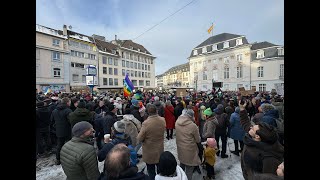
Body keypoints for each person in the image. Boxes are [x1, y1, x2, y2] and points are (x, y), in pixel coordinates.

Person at [239, 100, 284, 180]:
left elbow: (268, 177)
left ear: (257, 136)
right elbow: (246, 124)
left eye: (252, 128)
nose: (251, 127)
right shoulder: (255, 136)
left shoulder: (269, 159)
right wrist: (242, 109)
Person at [137, 104, 166, 180]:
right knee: (160, 169)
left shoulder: (146, 123)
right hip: (159, 148)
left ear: (148, 113)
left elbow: (139, 138)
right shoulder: (162, 120)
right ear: (157, 111)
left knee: (151, 170)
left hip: (149, 150)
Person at [175, 109, 201, 180]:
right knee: (189, 169)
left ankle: (180, 178)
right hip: (190, 150)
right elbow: (198, 140)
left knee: (182, 165)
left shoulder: (177, 122)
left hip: (180, 148)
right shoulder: (193, 126)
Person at [50, 97, 73, 165]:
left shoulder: (54, 111)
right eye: (69, 102)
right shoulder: (68, 111)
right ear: (67, 102)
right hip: (68, 131)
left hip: (59, 131)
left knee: (59, 145)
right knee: (69, 146)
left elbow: (51, 121)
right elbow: (71, 121)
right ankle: (69, 159)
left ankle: (58, 159)